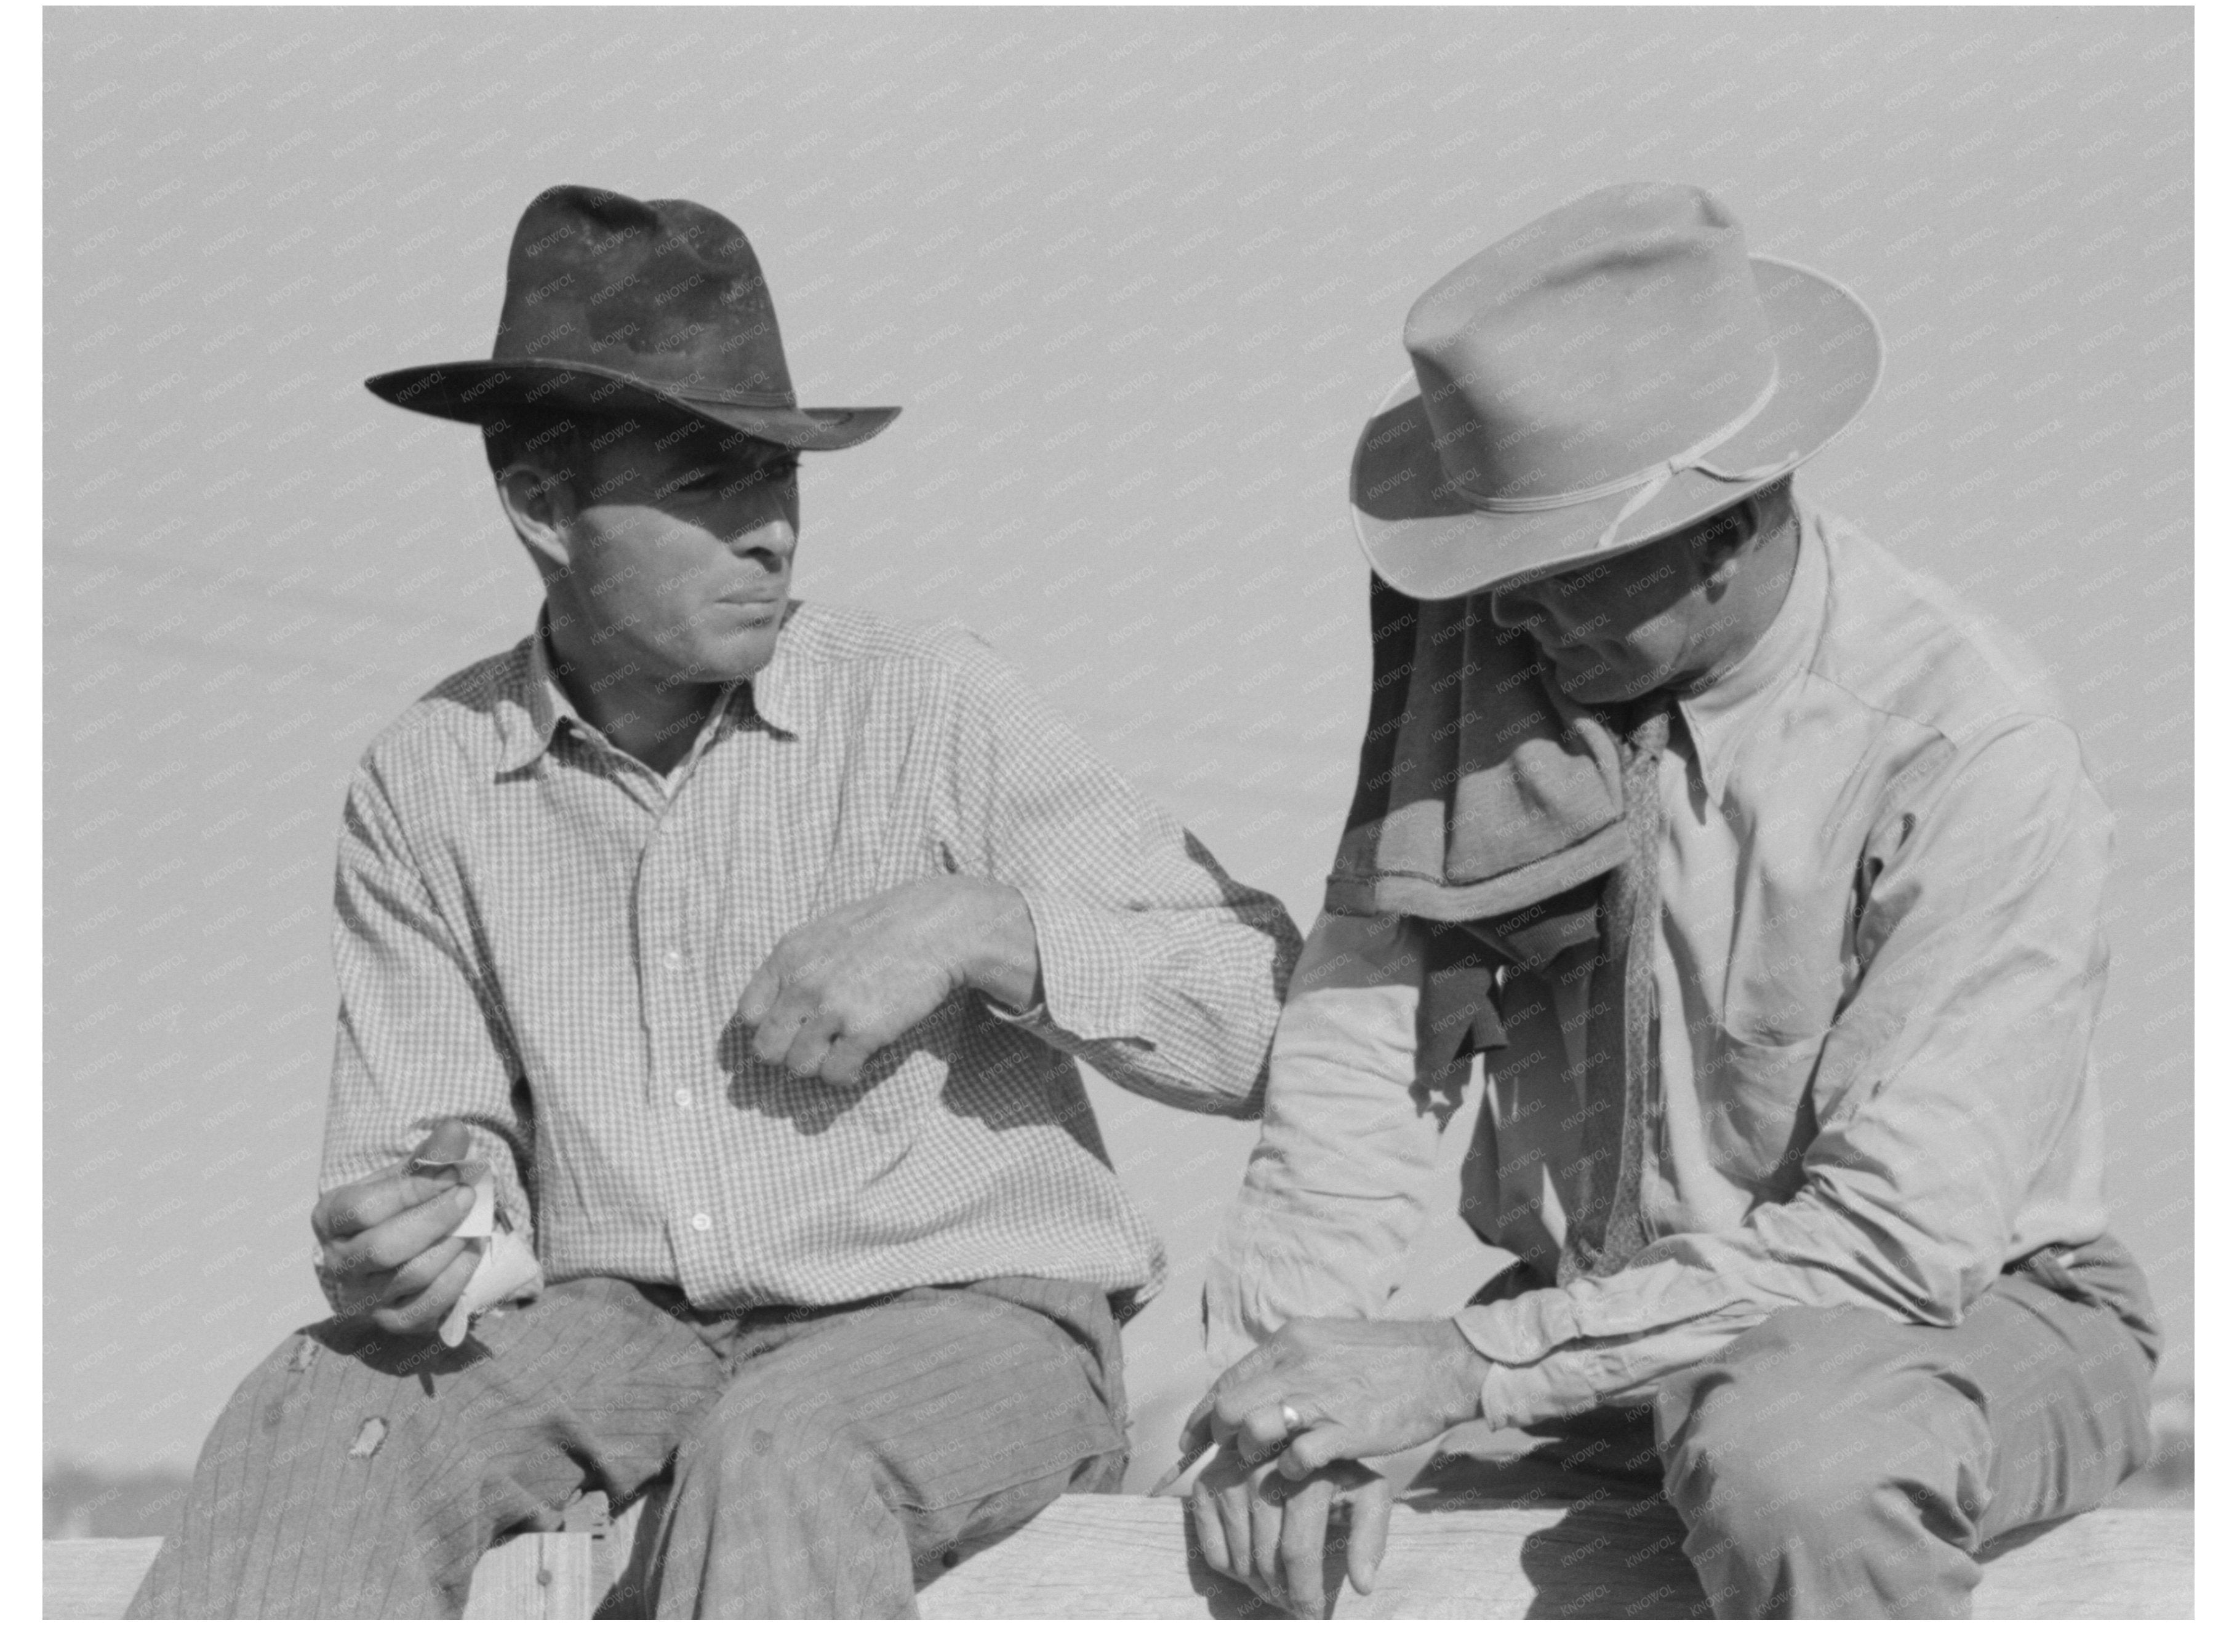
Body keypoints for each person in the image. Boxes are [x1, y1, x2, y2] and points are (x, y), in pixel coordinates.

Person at [129, 184, 1300, 1620]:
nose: (771, 534)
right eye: (704, 484)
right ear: (541, 504)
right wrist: (419, 1221)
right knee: (325, 1400)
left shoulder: (930, 701)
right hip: (612, 1329)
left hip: (967, 1318)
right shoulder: (427, 779)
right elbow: (436, 1154)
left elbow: (1262, 1019)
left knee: (781, 1451)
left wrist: (974, 925)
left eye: (782, 476)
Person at [1180, 182, 2160, 1619]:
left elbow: (1892, 1245)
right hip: (1598, 1315)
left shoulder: (1965, 749)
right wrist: (1286, 1389)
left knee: (1797, 1461)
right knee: (1210, 1480)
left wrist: (1460, 1366)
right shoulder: (1492, 660)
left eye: (1553, 572)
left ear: (1728, 527)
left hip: (1949, 1306)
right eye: (1488, 566)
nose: (1504, 612)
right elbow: (1364, 1050)